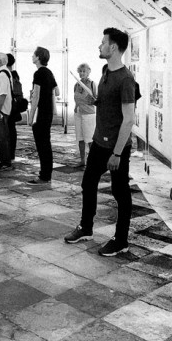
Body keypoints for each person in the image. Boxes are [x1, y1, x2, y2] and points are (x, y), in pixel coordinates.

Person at [64, 27, 137, 256]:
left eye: (103, 42)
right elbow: (108, 103)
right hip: (99, 142)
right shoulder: (105, 71)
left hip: (117, 148)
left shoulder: (126, 79)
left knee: (120, 192)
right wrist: (97, 101)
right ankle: (86, 227)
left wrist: (116, 154)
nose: (99, 46)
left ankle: (121, 240)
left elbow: (128, 120)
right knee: (88, 183)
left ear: (113, 47)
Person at [28, 46, 58, 184]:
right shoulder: (49, 72)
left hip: (41, 113)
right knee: (46, 143)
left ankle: (44, 175)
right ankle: (46, 174)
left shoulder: (39, 73)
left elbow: (36, 97)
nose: (32, 56)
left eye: (34, 54)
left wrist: (30, 115)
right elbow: (56, 91)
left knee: (42, 145)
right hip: (48, 113)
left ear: (38, 57)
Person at [71, 63, 96, 167]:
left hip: (88, 114)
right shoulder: (76, 85)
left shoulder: (92, 83)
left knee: (90, 139)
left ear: (88, 72)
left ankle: (92, 162)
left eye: (84, 71)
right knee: (80, 138)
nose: (82, 73)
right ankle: (83, 161)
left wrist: (92, 100)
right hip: (78, 113)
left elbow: (96, 98)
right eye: (80, 71)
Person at [6, 53, 20, 165]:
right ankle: (11, 152)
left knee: (8, 129)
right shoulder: (15, 74)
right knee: (12, 129)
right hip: (14, 105)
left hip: (9, 105)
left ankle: (9, 152)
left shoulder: (6, 74)